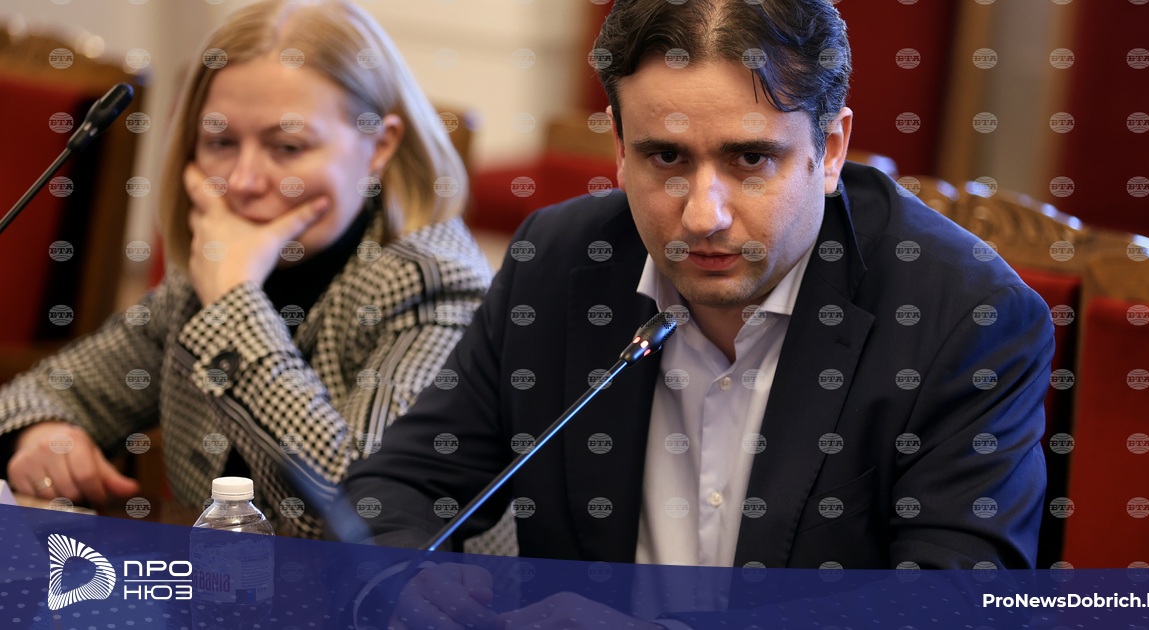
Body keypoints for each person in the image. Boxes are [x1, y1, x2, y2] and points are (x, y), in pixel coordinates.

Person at [346, 0, 1050, 576]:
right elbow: (397, 489)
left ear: (830, 150)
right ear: (619, 150)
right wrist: (419, 589)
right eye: (666, 156)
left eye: (750, 159)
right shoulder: (558, 262)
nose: (702, 215)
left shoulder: (964, 319)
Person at [0, 0, 494, 539]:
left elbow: (363, 519)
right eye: (221, 142)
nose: (243, 181)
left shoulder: (438, 288)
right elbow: (46, 391)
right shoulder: (209, 271)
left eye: (287, 146)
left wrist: (235, 300)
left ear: (380, 145)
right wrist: (42, 433)